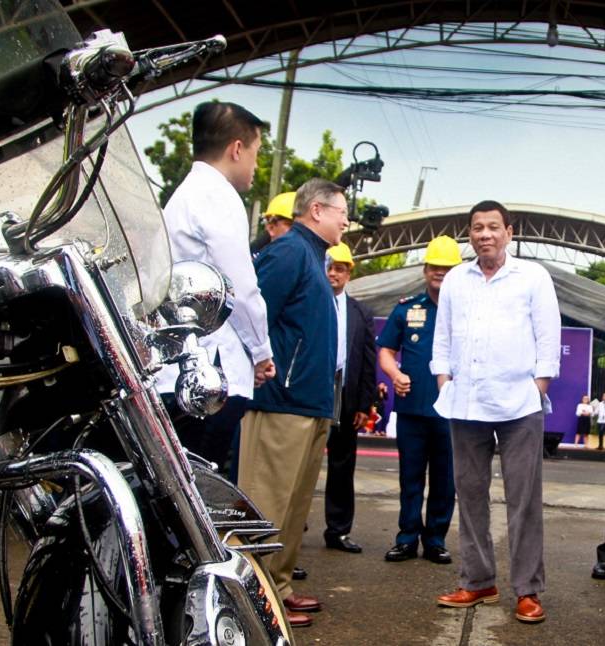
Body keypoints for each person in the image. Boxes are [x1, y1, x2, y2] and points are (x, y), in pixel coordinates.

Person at [433, 200, 560, 625]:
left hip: (519, 406)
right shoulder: (455, 279)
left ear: (509, 231)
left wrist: (538, 385)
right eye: (477, 228)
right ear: (469, 234)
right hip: (466, 402)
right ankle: (478, 580)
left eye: (493, 227)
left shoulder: (533, 277)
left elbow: (548, 334)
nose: (485, 235)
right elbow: (443, 337)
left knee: (523, 501)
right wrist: (443, 381)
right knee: (469, 496)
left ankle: (527, 590)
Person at [240, 177, 348, 629]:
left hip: (310, 404)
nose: (347, 220)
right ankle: (252, 598)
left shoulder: (314, 257)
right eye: (341, 211)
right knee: (266, 505)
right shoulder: (288, 251)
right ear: (317, 211)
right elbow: (253, 314)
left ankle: (277, 587)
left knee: (293, 508)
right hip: (281, 400)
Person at [155, 101, 275, 476]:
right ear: (236, 148)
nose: (256, 165)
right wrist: (261, 352)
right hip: (208, 371)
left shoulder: (182, 196)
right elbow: (238, 286)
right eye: (256, 153)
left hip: (175, 365)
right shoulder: (218, 197)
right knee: (199, 484)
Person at [378, 235, 463, 565]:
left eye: (446, 268)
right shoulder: (406, 309)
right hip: (412, 408)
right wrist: (394, 374)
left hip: (452, 411)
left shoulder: (467, 312)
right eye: (434, 267)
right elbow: (385, 350)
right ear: (425, 269)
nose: (439, 273)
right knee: (410, 477)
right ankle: (406, 537)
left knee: (446, 479)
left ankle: (436, 539)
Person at [323, 242, 376, 555]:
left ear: (348, 273)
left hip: (346, 392)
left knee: (343, 464)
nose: (334, 273)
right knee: (302, 463)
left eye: (340, 268)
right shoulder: (312, 303)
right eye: (330, 267)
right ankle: (293, 529)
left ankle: (339, 530)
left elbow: (368, 359)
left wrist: (365, 403)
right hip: (314, 390)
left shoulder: (360, 312)